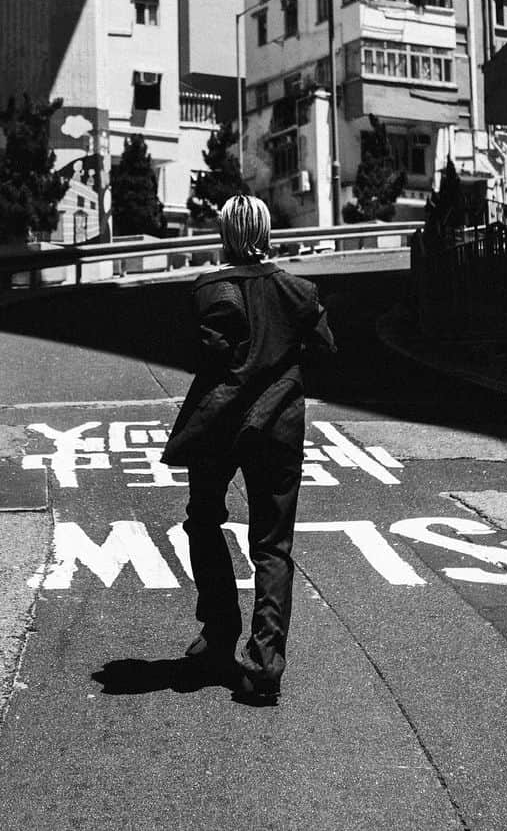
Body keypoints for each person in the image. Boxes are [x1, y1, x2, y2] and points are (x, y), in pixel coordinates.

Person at [162, 194, 336, 702]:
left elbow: (204, 354)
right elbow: (325, 347)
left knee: (204, 520)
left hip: (218, 427)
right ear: (266, 233)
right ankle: (263, 665)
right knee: (272, 545)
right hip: (279, 425)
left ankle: (218, 636)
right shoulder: (299, 291)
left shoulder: (209, 289)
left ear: (226, 236)